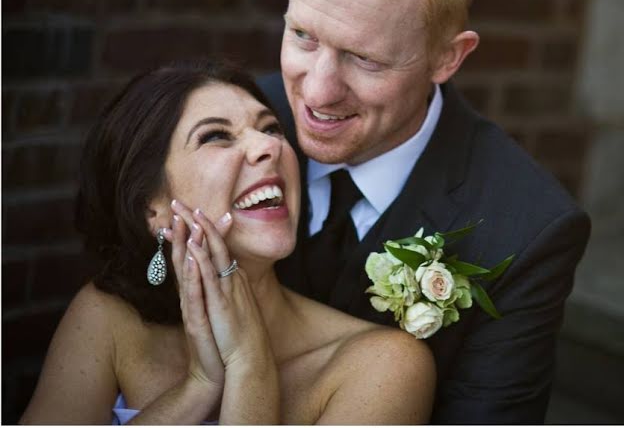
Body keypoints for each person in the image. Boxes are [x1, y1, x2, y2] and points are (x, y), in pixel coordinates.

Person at [259, 0, 591, 424]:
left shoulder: (527, 230)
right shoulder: (227, 119)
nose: (316, 92)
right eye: (303, 36)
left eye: (364, 60)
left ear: (447, 58)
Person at [20, 60, 435, 424]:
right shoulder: (106, 318)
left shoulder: (382, 366)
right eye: (216, 136)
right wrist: (198, 387)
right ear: (153, 209)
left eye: (271, 128)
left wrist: (249, 369)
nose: (268, 146)